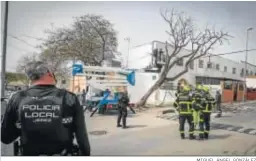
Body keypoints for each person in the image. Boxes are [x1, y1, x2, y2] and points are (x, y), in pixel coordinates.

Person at [1, 61, 91, 156]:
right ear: (49, 73)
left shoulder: (17, 98)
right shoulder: (69, 97)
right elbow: (82, 137)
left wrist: (23, 124)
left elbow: (6, 138)